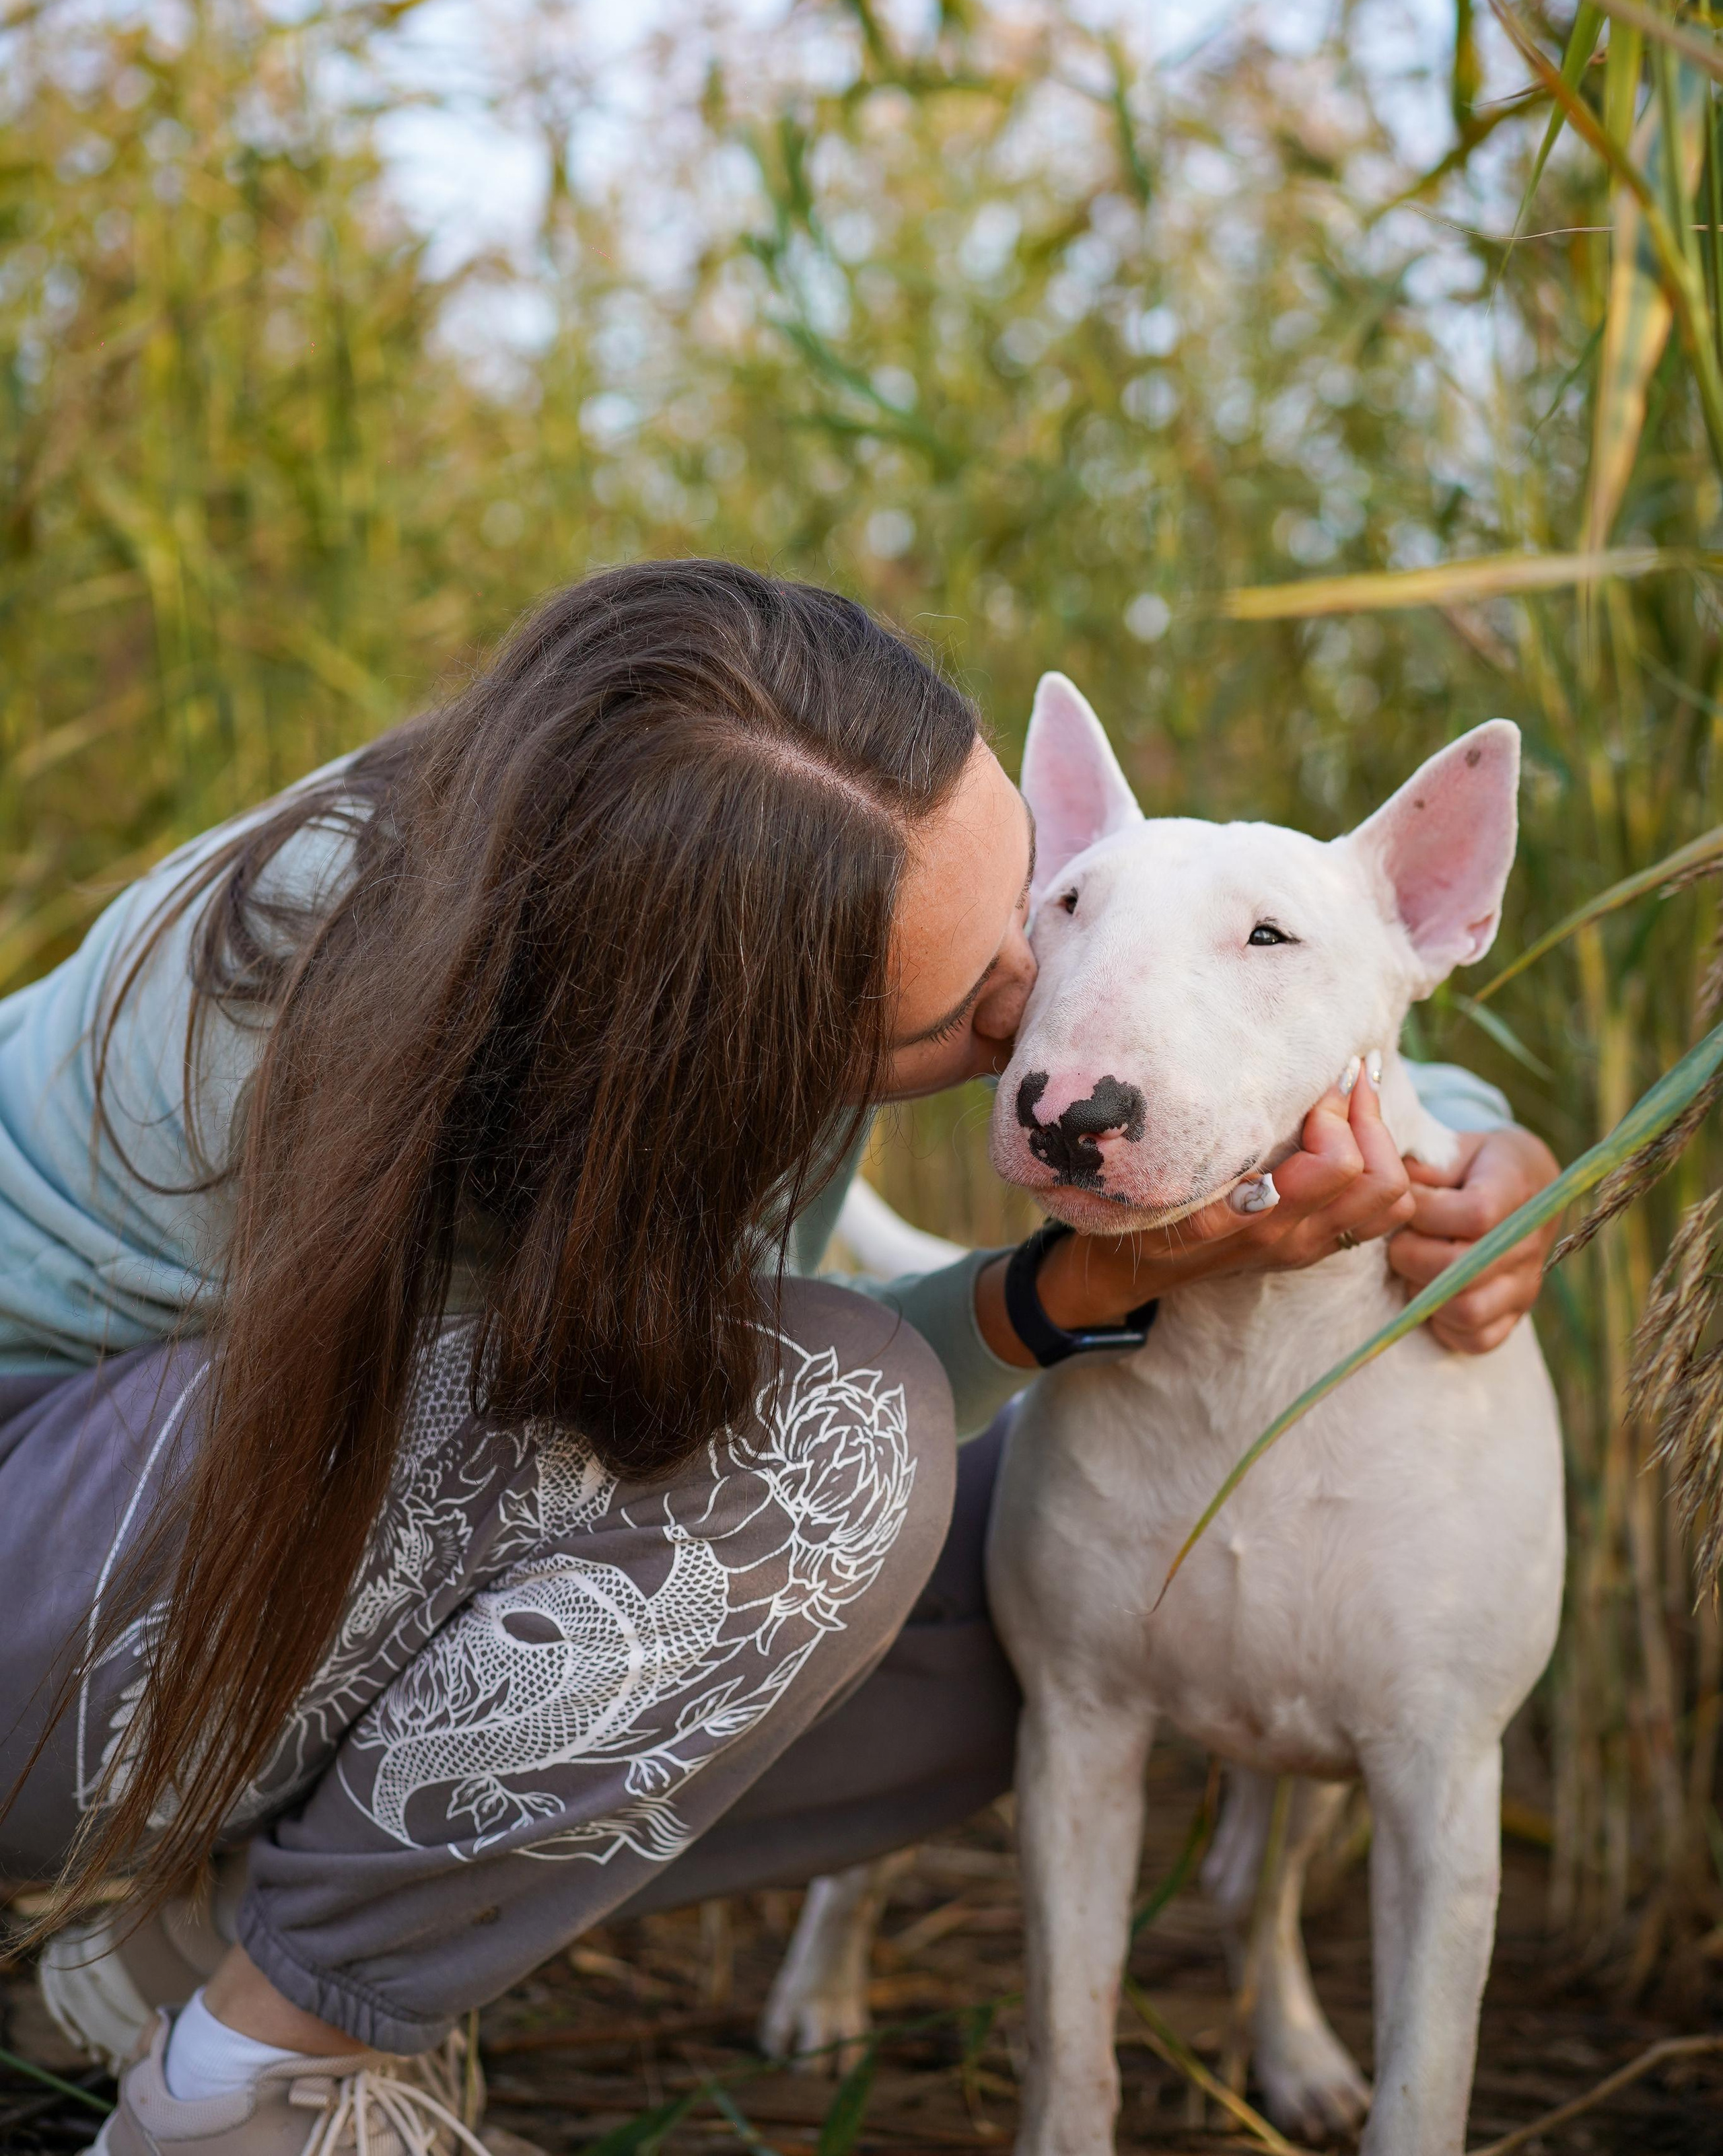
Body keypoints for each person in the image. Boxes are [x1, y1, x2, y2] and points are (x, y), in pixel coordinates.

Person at [0, 562, 1557, 2156]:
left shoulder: (737, 801)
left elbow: (1261, 966)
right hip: (50, 1569)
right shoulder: (305, 1010)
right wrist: (1038, 1293)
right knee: (849, 1445)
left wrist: (1473, 1156)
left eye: (1040, 886)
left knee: (981, 1628)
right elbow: (692, 1414)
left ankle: (174, 1953)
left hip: (285, 1547)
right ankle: (254, 2080)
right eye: (968, 1011)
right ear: (711, 1024)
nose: (1056, 999)